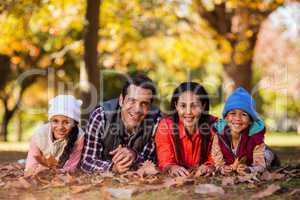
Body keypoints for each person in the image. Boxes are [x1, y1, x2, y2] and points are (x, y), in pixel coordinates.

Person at [80, 74, 161, 173]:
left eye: (144, 104)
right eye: (132, 100)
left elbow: (155, 162)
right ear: (121, 100)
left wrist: (134, 156)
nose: (137, 109)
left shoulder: (156, 121)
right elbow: (87, 162)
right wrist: (112, 168)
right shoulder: (101, 116)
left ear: (149, 107)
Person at [210, 87, 278, 175]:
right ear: (226, 117)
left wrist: (249, 169)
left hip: (257, 156)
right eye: (232, 113)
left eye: (244, 114)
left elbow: (260, 165)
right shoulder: (219, 135)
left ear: (250, 120)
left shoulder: (255, 137)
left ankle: (271, 155)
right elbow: (217, 160)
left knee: (267, 156)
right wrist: (222, 168)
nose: (237, 118)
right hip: (233, 162)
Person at [155, 82, 217, 177]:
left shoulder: (214, 125)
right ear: (176, 106)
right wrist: (171, 167)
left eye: (194, 106)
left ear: (203, 106)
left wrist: (209, 167)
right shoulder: (166, 126)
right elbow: (165, 161)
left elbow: (216, 159)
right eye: (183, 106)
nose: (188, 112)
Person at [25, 95, 84, 173]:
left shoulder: (79, 137)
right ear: (50, 121)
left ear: (74, 124)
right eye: (55, 121)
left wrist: (54, 172)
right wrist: (37, 171)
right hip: (43, 170)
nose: (60, 127)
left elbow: (70, 168)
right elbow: (30, 168)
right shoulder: (39, 135)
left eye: (66, 122)